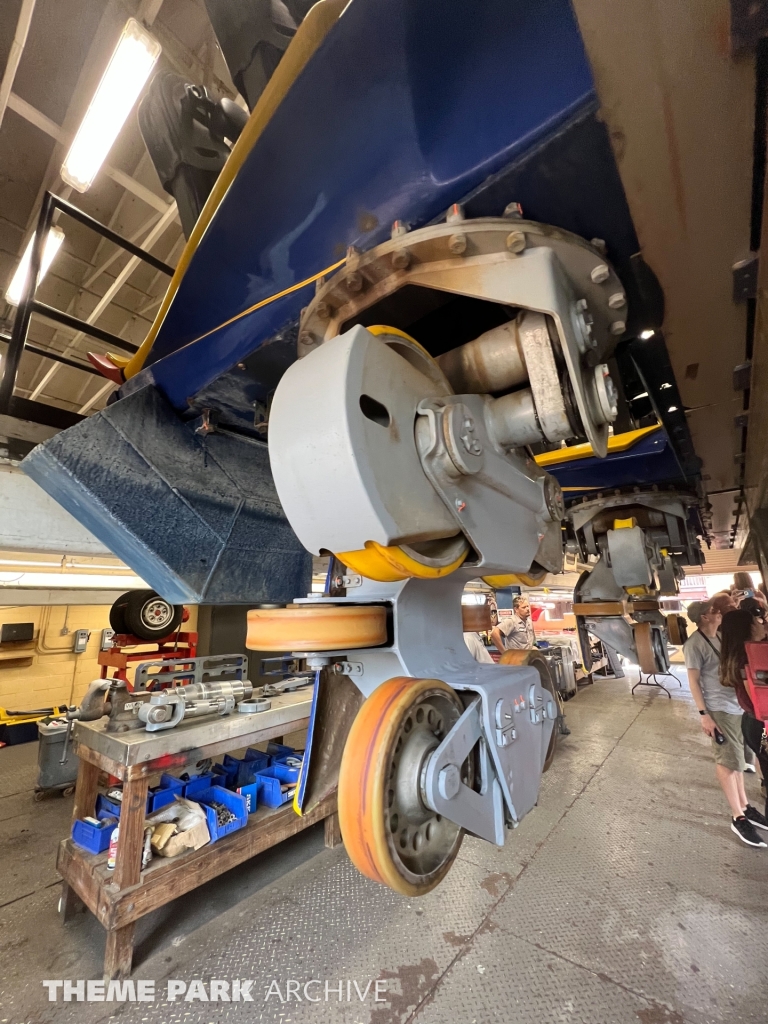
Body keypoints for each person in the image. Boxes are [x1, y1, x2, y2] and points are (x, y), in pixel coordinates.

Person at [683, 599, 768, 847]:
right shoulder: (694, 645)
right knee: (727, 761)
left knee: (738, 761)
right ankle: (737, 816)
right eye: (713, 611)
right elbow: (693, 681)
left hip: (735, 707)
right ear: (704, 618)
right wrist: (704, 714)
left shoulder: (721, 637)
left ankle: (745, 805)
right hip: (717, 708)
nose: (718, 613)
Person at [720, 606, 768, 816]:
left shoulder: (744, 654)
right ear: (748, 628)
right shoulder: (748, 660)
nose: (761, 624)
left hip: (753, 724)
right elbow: (760, 700)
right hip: (762, 724)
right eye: (756, 621)